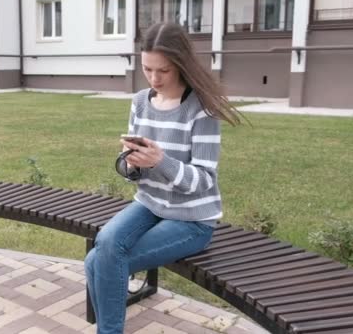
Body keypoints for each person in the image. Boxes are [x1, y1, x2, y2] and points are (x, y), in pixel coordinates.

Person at [84, 22, 242, 334]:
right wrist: (132, 163)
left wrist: (162, 161)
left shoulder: (202, 109)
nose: (154, 79)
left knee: (98, 262)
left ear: (181, 64)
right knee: (104, 247)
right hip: (150, 205)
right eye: (147, 68)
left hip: (191, 220)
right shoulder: (141, 101)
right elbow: (136, 176)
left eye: (163, 71)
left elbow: (204, 181)